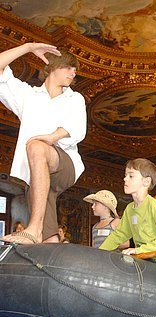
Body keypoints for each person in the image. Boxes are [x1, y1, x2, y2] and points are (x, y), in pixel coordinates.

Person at [0, 42, 86, 244]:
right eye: (68, 67)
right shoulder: (28, 96)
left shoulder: (75, 99)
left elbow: (76, 129)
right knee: (49, 241)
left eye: (75, 70)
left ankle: (34, 229)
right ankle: (43, 236)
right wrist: (29, 47)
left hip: (65, 165)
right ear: (52, 67)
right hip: (36, 174)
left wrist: (52, 137)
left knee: (36, 146)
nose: (73, 73)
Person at [99, 158, 156, 269]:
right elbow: (119, 235)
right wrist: (99, 253)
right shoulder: (129, 209)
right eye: (125, 175)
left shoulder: (154, 206)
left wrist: (139, 250)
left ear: (146, 181)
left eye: (131, 176)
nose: (125, 179)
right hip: (145, 257)